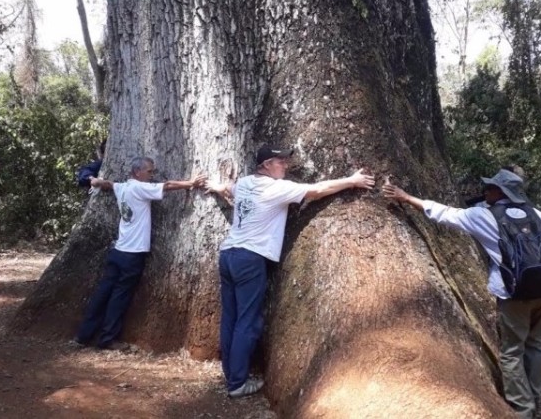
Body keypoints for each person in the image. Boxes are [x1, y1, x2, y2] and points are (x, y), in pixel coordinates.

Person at [205, 145, 375, 398]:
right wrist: (352, 181)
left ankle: (231, 376)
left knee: (231, 318)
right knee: (247, 321)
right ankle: (237, 383)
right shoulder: (276, 189)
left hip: (228, 255)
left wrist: (216, 186)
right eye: (280, 162)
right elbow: (317, 190)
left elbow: (229, 189)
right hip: (250, 258)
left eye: (285, 161)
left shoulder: (244, 183)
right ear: (266, 165)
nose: (285, 165)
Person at [383, 169, 541, 419]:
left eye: (491, 188)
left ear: (502, 192)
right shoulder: (537, 214)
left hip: (515, 294)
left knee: (512, 352)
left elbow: (444, 214)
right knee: (536, 343)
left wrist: (406, 197)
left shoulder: (484, 215)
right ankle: (540, 398)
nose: (486, 191)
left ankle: (523, 410)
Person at [73, 156, 206, 350]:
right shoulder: (139, 188)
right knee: (119, 296)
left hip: (118, 251)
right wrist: (191, 183)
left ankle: (83, 335)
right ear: (138, 172)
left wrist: (94, 180)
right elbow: (167, 185)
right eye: (150, 171)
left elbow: (108, 184)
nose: (152, 175)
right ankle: (107, 338)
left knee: (103, 293)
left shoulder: (123, 187)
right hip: (132, 255)